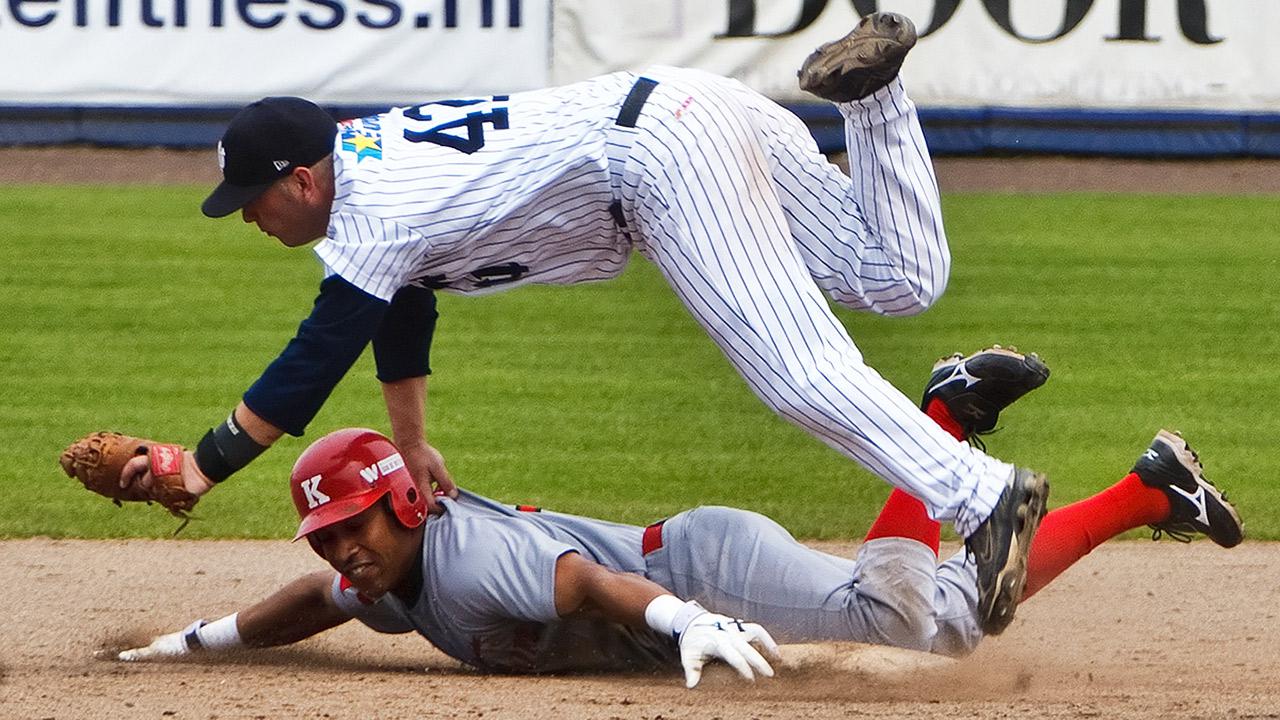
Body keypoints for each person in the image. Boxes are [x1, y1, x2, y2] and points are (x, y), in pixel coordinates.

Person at [120, 12, 1047, 634]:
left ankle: (981, 494)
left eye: (253, 198)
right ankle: (875, 99)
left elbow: (313, 358)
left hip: (654, 160)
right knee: (896, 278)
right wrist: (410, 445)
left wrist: (204, 464)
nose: (248, 216)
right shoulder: (365, 177)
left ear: (303, 179)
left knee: (795, 370)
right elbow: (399, 305)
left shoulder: (372, 213)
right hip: (690, 106)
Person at [115, 349, 1243, 687]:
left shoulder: (471, 571)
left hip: (693, 567)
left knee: (924, 621)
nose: (344, 547)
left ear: (408, 502)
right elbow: (314, 602)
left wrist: (685, 620)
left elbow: (585, 586)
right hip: (682, 569)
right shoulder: (380, 579)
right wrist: (197, 639)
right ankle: (1151, 488)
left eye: (358, 521)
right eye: (332, 532)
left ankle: (939, 415)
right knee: (960, 608)